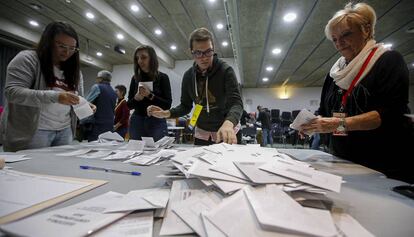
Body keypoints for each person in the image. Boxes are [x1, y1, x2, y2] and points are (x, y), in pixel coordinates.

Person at [300, 3, 412, 183]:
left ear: (366, 31)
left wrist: (338, 124)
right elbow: (324, 109)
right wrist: (310, 124)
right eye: (335, 39)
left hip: (381, 164)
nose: (339, 43)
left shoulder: (388, 60)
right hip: (342, 160)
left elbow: (389, 115)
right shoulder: (335, 72)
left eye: (346, 35)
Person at [0, 22, 94, 152]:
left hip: (65, 130)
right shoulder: (28, 59)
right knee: (30, 169)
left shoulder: (75, 71)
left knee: (56, 169)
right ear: (48, 42)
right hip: (33, 131)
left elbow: (76, 96)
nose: (67, 52)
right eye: (61, 46)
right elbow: (12, 92)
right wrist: (57, 97)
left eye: (73, 48)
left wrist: (84, 103)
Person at [147, 28, 243, 145]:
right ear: (191, 52)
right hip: (202, 133)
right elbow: (185, 106)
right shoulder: (188, 76)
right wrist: (166, 113)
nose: (204, 57)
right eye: (198, 53)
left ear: (213, 49)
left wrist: (229, 122)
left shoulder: (226, 71)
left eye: (208, 52)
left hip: (226, 130)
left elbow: (236, 103)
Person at [127, 45, 172, 141]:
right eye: (137, 58)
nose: (139, 61)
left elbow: (167, 105)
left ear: (152, 58)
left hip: (157, 121)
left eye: (143, 57)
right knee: (135, 153)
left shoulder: (163, 77)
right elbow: (129, 106)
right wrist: (136, 98)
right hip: (137, 121)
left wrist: (150, 95)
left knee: (159, 153)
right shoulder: (134, 79)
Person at [85, 70, 117, 142]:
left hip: (98, 124)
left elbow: (86, 103)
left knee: (93, 148)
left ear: (100, 78)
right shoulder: (113, 91)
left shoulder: (97, 87)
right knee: (105, 147)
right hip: (109, 125)